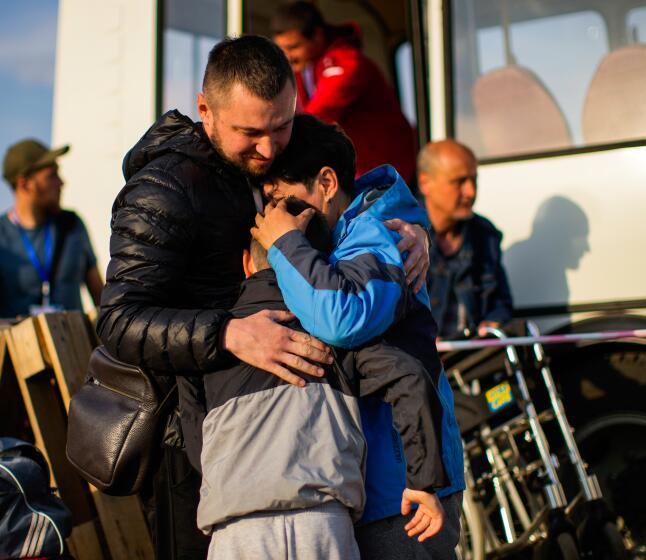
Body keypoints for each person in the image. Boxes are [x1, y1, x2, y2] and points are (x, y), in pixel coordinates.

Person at [96, 35, 430, 560]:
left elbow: (336, 192)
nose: (270, 148)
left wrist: (406, 231)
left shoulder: (253, 170)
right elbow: (118, 320)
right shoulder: (160, 190)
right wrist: (229, 333)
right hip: (190, 450)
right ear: (206, 111)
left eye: (282, 126)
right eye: (250, 132)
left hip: (290, 447)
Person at [254, 114, 464, 558]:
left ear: (327, 182)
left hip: (403, 488)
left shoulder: (378, 238)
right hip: (391, 482)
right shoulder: (357, 235)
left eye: (284, 201)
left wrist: (283, 245)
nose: (277, 217)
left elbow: (342, 317)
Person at [199, 199, 443, 559]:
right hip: (322, 521)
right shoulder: (330, 331)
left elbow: (190, 425)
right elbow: (409, 377)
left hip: (234, 526)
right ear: (323, 263)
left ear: (247, 264)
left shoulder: (220, 336)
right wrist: (423, 481)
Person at [271, 1, 416, 182]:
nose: (287, 56)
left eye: (293, 47)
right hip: (360, 172)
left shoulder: (348, 63)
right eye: (281, 48)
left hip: (388, 171)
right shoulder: (306, 68)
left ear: (317, 36)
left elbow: (316, 116)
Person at [0, 139, 103, 318]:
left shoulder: (72, 225)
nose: (62, 183)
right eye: (52, 176)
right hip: (19, 346)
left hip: (75, 344)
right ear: (24, 183)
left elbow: (102, 300)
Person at [418, 139, 513, 338]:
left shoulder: (485, 236)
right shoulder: (397, 235)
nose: (470, 192)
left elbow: (500, 304)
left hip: (471, 363)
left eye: (474, 180)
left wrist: (492, 323)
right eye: (459, 182)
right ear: (425, 183)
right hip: (416, 365)